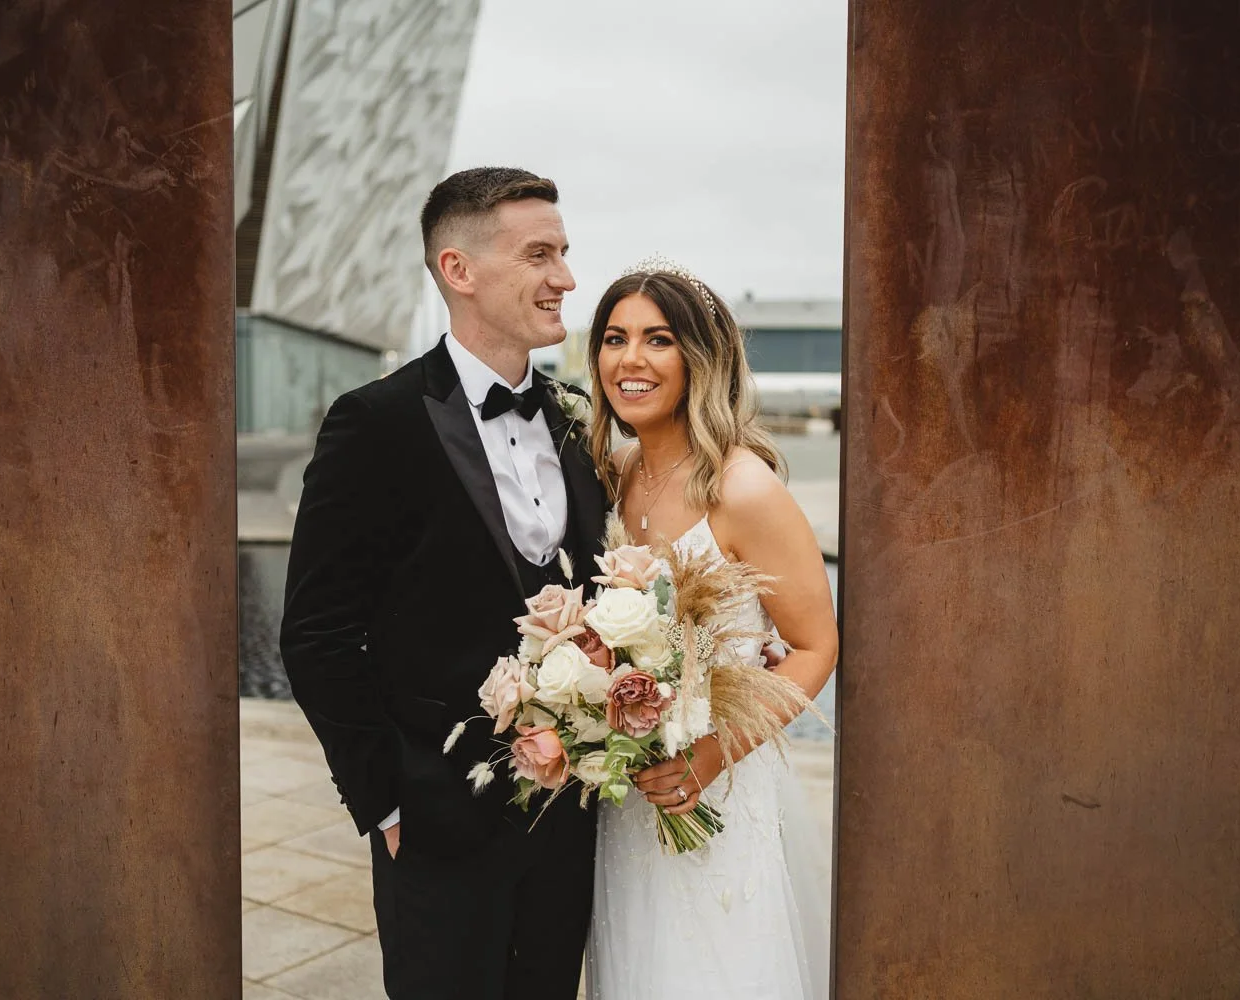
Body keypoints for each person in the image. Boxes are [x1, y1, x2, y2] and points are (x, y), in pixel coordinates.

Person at [279, 167, 607, 1000]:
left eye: (564, 252)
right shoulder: (375, 421)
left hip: (570, 826)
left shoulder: (580, 419)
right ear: (458, 269)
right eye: (539, 254)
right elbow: (317, 634)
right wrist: (385, 802)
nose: (566, 278)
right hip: (435, 824)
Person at [582, 261, 838, 999]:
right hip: (628, 802)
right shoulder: (614, 473)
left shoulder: (744, 488)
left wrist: (708, 757)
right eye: (614, 338)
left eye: (658, 339)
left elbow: (816, 646)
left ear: (701, 358)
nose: (630, 359)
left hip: (716, 789)